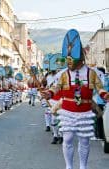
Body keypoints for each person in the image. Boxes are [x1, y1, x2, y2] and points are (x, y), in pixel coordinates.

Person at [42, 29, 109, 169]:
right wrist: (49, 93)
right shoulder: (63, 74)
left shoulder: (92, 73)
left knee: (84, 141)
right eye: (67, 59)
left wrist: (105, 95)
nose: (69, 63)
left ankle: (83, 166)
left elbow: (100, 88)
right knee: (67, 138)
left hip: (84, 111)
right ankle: (69, 166)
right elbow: (56, 88)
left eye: (71, 60)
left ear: (80, 58)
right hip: (67, 111)